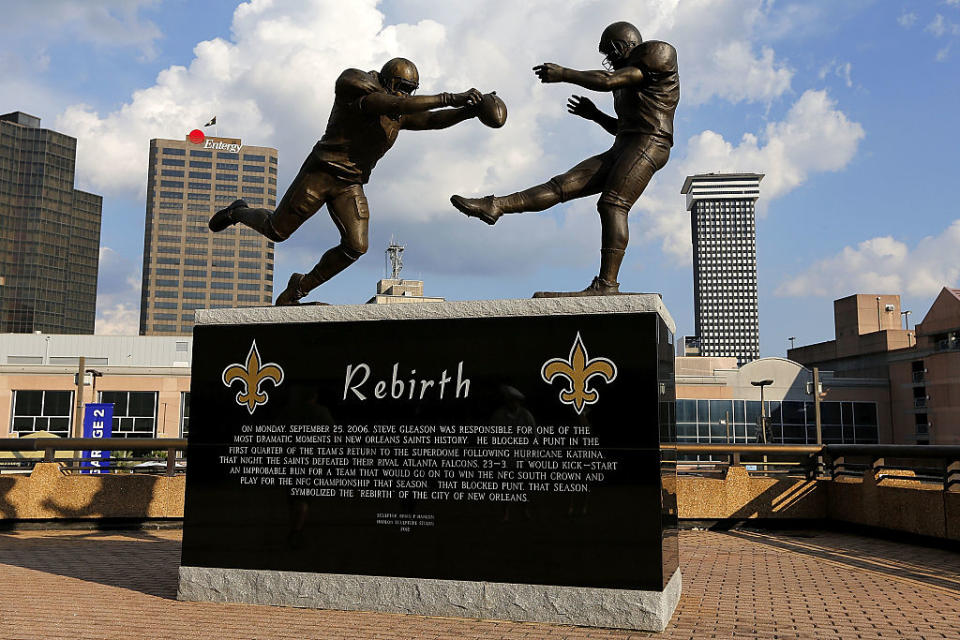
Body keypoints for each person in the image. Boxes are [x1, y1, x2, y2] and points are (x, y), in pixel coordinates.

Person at [209, 58, 483, 305]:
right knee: (277, 231)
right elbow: (395, 103)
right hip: (321, 173)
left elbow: (431, 120)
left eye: (410, 89)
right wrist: (452, 97)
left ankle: (298, 288)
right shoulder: (356, 86)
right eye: (401, 86)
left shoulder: (398, 111)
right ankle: (237, 211)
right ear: (386, 81)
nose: (405, 94)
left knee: (355, 246)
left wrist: (468, 112)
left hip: (350, 183)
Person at [450, 21, 679, 297]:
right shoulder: (625, 82)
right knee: (561, 185)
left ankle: (607, 285)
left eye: (610, 52)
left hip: (651, 143)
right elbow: (625, 126)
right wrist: (595, 115)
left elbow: (608, 82)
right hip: (627, 143)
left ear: (623, 47)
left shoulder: (659, 54)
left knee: (613, 203)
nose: (609, 61)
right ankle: (496, 205)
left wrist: (564, 74)